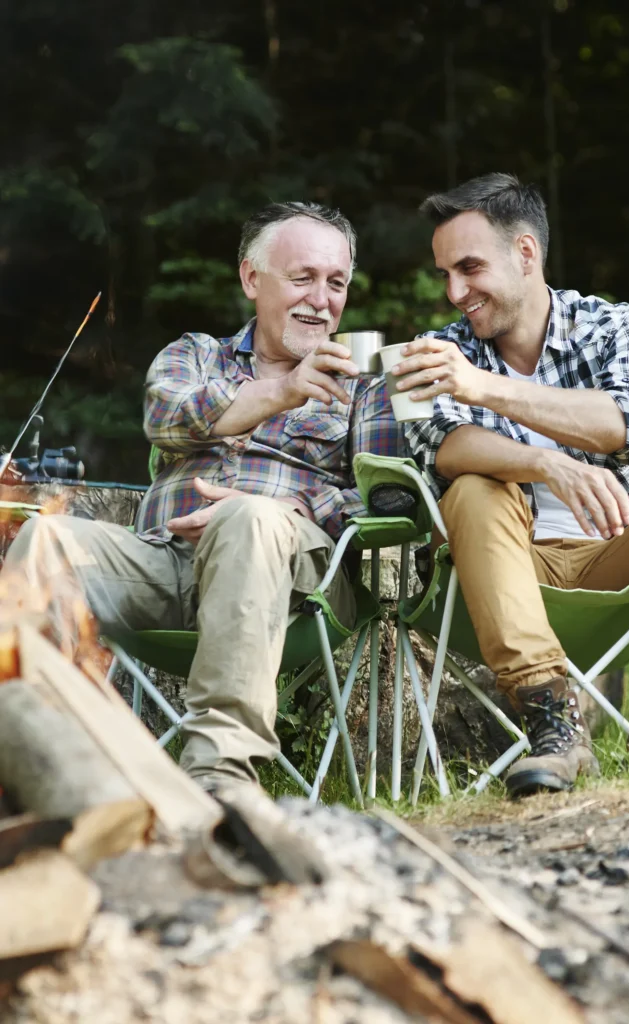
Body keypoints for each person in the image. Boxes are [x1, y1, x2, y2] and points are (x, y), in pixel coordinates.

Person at [5, 201, 402, 796]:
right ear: (251, 279)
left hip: (299, 584)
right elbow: (167, 418)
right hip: (166, 566)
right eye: (303, 279)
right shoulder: (193, 354)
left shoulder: (367, 384)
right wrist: (284, 390)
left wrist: (287, 513)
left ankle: (218, 776)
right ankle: (41, 764)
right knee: (46, 539)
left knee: (249, 519)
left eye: (336, 283)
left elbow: (384, 497)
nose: (322, 300)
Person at [393, 172, 629, 797]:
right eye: (445, 274)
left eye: (468, 268)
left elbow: (626, 421)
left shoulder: (614, 326)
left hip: (618, 559)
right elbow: (441, 448)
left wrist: (484, 387)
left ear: (525, 253)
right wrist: (548, 463)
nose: (454, 292)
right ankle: (554, 724)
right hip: (504, 567)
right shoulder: (439, 349)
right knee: (471, 485)